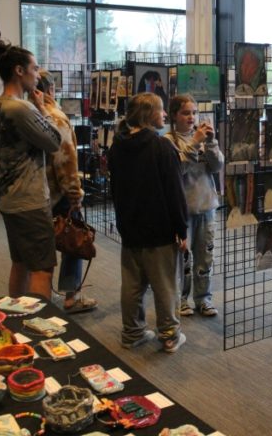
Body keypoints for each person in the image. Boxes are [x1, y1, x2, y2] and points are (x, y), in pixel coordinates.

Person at [108, 92, 189, 353]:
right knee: (165, 284)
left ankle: (132, 332)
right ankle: (169, 335)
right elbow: (175, 193)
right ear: (149, 114)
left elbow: (115, 188)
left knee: (132, 285)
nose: (165, 115)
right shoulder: (162, 147)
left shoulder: (117, 146)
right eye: (161, 109)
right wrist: (182, 228)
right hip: (160, 229)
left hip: (129, 227)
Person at [0, 40, 62, 300]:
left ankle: (17, 317)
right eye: (35, 67)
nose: (37, 74)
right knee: (42, 268)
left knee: (20, 262)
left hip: (10, 197)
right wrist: (43, 108)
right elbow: (54, 141)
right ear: (19, 70)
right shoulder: (20, 108)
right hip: (28, 200)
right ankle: (39, 327)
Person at [36, 70, 96, 313]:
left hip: (38, 194)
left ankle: (40, 298)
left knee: (41, 249)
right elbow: (66, 159)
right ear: (51, 89)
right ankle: (72, 297)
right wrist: (75, 193)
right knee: (74, 239)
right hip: (58, 194)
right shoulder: (56, 118)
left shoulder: (27, 115)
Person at [165, 94, 224, 317]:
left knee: (205, 256)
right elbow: (177, 171)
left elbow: (217, 166)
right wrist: (194, 142)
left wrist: (211, 142)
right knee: (183, 259)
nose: (191, 117)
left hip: (207, 205)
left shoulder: (201, 138)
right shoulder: (169, 141)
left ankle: (203, 298)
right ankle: (181, 298)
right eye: (186, 113)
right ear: (174, 115)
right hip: (183, 210)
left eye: (194, 113)